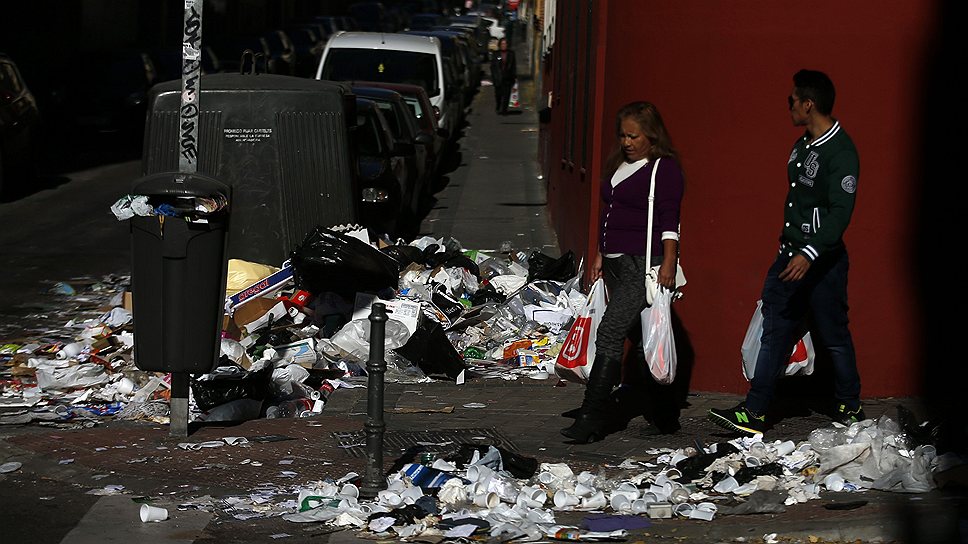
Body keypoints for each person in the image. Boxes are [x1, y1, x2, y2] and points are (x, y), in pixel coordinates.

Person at [708, 69, 862, 436]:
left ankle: (850, 403)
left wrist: (809, 253)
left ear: (809, 104)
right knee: (774, 332)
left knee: (833, 334)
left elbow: (841, 211)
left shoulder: (841, 152)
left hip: (821, 263)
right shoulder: (802, 145)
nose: (788, 106)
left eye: (792, 100)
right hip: (788, 257)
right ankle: (755, 411)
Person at [560, 101, 685, 443]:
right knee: (638, 337)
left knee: (611, 332)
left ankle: (591, 417)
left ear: (652, 135)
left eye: (634, 136)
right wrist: (600, 253)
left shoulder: (664, 169)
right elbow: (610, 212)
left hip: (640, 266)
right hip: (614, 262)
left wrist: (670, 261)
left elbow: (669, 219)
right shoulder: (621, 163)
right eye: (623, 136)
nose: (627, 142)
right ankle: (662, 412)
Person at [490, 38, 516, 115]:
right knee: (498, 94)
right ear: (499, 45)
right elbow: (493, 67)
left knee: (506, 95)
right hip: (498, 78)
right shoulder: (496, 54)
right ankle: (498, 106)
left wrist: (514, 76)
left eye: (505, 44)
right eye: (502, 44)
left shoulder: (511, 54)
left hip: (508, 78)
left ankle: (504, 110)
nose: (504, 45)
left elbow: (513, 66)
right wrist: (494, 78)